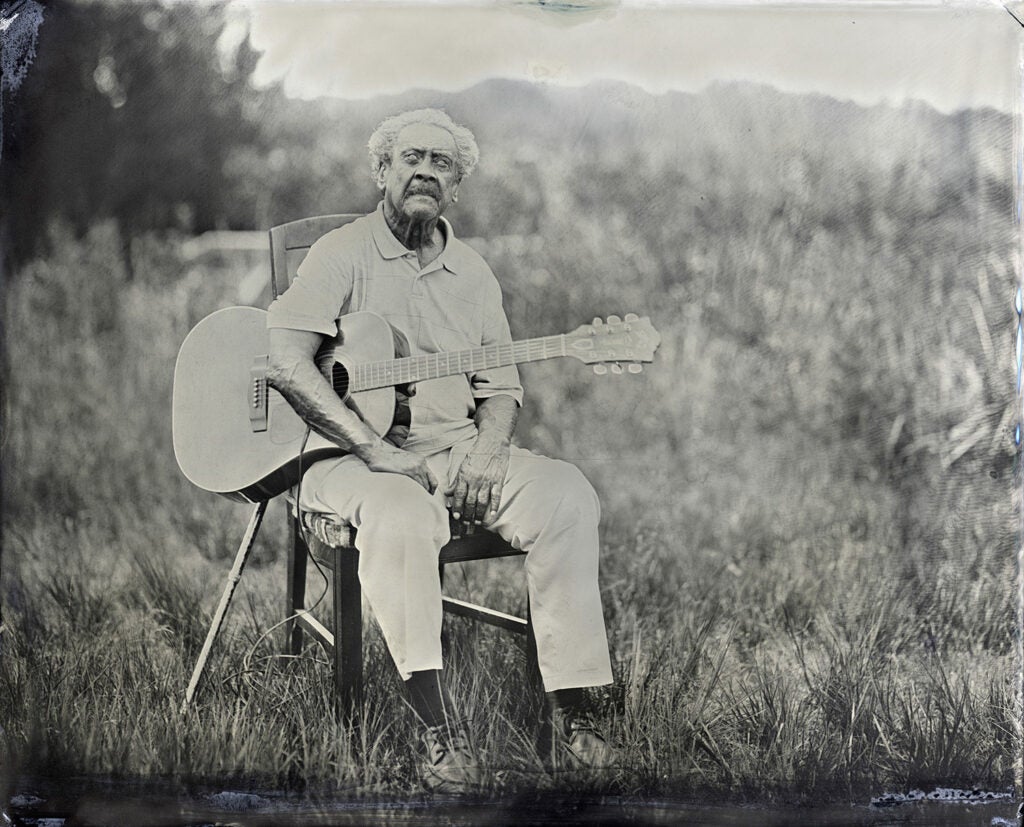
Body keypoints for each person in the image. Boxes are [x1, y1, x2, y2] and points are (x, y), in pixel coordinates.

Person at [266, 108, 614, 792]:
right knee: (398, 511)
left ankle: (574, 711)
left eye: (443, 163)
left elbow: (501, 383)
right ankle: (437, 727)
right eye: (412, 157)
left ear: (456, 185)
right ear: (382, 171)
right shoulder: (343, 254)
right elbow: (284, 359)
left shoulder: (474, 273)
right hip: (343, 458)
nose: (427, 170)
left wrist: (488, 451)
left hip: (454, 448)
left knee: (568, 494)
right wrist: (372, 447)